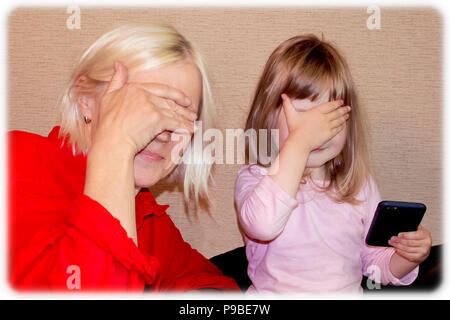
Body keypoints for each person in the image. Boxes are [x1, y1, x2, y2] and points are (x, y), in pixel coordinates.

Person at [8, 24, 238, 292]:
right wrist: (116, 143)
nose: (163, 131)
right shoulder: (17, 161)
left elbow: (206, 281)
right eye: (144, 106)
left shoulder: (146, 212)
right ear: (85, 100)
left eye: (181, 114)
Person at [234, 35, 432, 293]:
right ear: (268, 118)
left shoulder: (358, 184)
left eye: (330, 120)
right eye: (304, 119)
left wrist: (407, 257)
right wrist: (298, 144)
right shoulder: (256, 178)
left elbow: (374, 264)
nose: (318, 133)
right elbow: (264, 224)